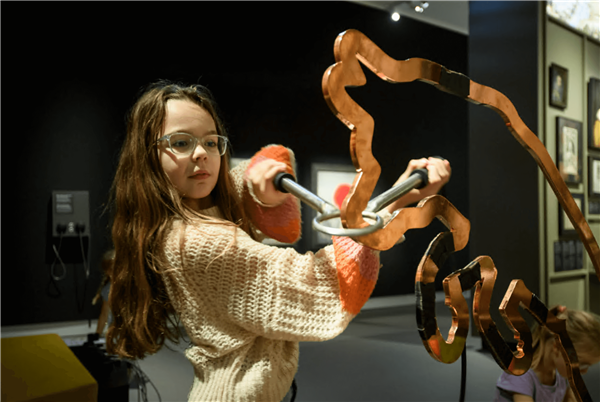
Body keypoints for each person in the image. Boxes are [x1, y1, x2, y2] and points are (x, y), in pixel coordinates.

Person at [105, 80, 452, 402]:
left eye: (211, 142)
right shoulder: (199, 242)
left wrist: (263, 184)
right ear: (148, 155)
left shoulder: (200, 210)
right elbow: (322, 284)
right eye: (181, 143)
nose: (201, 153)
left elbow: (249, 176)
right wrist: (396, 204)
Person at [494, 307, 600, 402]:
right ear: (557, 347)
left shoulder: (562, 375)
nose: (585, 371)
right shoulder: (521, 373)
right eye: (582, 364)